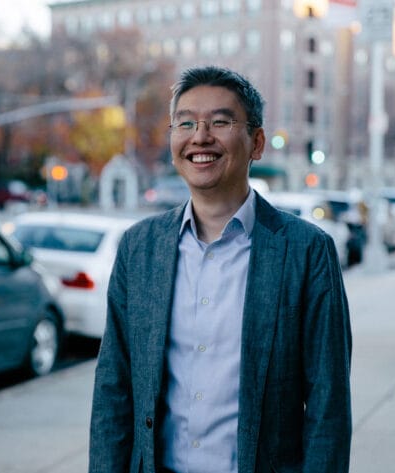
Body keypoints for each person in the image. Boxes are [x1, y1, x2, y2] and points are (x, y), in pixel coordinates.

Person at [89, 66, 352, 473]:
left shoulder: (307, 252)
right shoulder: (139, 248)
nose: (200, 136)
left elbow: (328, 403)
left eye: (220, 122)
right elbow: (114, 389)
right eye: (186, 123)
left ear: (257, 142)